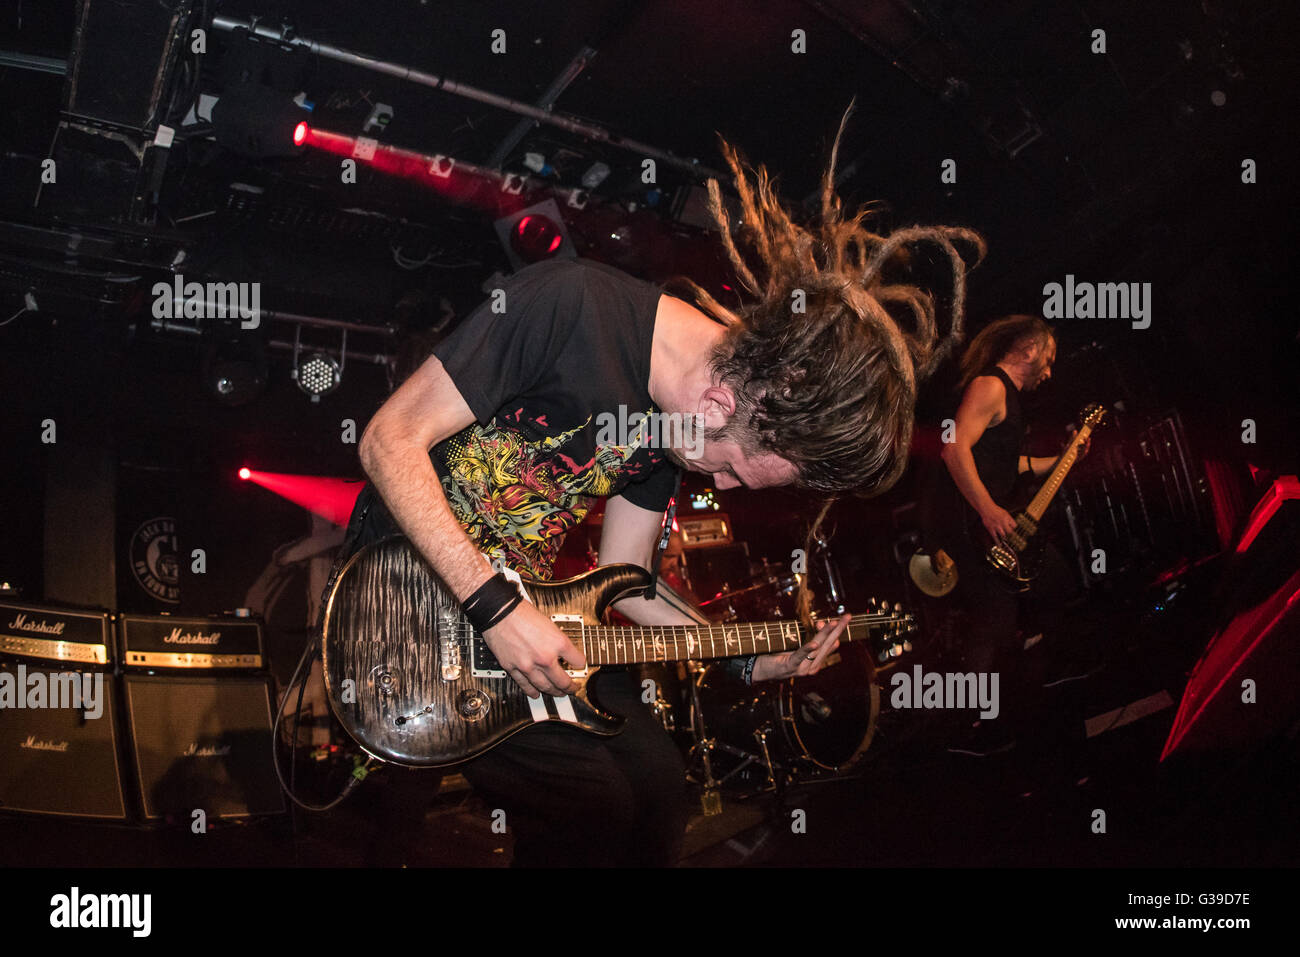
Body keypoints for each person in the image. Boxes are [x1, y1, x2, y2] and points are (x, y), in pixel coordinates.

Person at [328, 105, 986, 865]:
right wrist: (496, 606)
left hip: (508, 617)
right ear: (720, 404)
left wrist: (744, 653)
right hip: (402, 597)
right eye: (736, 466)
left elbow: (631, 582)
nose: (731, 488)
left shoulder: (679, 430)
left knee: (655, 783)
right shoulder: (565, 305)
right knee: (584, 806)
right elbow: (387, 442)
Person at [921, 314, 1087, 759]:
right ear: (1028, 349)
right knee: (995, 615)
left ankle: (1036, 674)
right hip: (967, 520)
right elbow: (953, 449)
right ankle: (973, 724)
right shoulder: (990, 386)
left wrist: (1064, 457)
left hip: (983, 517)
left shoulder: (1007, 400)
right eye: (1048, 358)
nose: (1049, 370)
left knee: (1045, 585)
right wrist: (988, 508)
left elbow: (1009, 465)